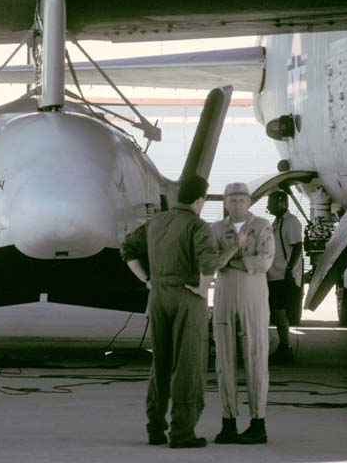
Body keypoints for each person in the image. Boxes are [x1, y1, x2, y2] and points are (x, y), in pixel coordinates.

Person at [121, 174, 217, 449]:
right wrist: (203, 288)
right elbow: (208, 262)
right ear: (201, 199)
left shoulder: (155, 223)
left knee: (160, 363)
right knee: (188, 364)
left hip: (158, 296)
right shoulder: (198, 226)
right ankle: (182, 432)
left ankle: (155, 428)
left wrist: (146, 280)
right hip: (187, 296)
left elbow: (127, 249)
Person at [210, 182, 274, 444]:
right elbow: (212, 262)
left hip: (253, 298)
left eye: (241, 199)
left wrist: (230, 261)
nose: (237, 204)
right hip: (225, 297)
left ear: (249, 202)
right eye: (232, 199)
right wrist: (237, 247)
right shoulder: (216, 229)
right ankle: (228, 422)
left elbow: (265, 260)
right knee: (224, 359)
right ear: (225, 202)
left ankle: (258, 422)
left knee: (256, 357)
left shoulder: (262, 226)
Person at [266, 191, 303, 365]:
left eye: (271, 202)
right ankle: (282, 345)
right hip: (274, 275)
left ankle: (285, 347)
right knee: (275, 311)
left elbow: (297, 247)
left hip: (283, 276)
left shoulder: (291, 222)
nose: (268, 206)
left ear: (282, 203)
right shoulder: (277, 222)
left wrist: (290, 269)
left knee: (280, 312)